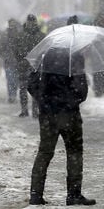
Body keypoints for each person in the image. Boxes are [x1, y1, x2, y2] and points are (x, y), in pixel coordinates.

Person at [27, 48, 96, 206]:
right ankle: (73, 194)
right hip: (69, 114)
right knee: (74, 152)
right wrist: (70, 101)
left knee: (44, 152)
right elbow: (81, 90)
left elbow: (31, 84)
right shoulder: (75, 56)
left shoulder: (44, 55)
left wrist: (43, 100)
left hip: (47, 115)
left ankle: (36, 194)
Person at [15, 14, 45, 117]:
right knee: (24, 88)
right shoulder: (21, 35)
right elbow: (15, 49)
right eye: (30, 21)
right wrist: (20, 59)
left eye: (33, 21)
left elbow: (44, 50)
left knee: (34, 89)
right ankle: (25, 110)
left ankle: (33, 111)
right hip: (26, 65)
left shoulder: (40, 36)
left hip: (35, 66)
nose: (31, 24)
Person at [0, 18, 21, 103]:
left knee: (15, 79)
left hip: (17, 61)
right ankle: (11, 95)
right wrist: (5, 55)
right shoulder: (5, 35)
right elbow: (1, 48)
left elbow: (21, 47)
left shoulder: (19, 35)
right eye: (11, 23)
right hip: (8, 61)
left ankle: (13, 94)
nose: (12, 25)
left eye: (13, 23)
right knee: (9, 79)